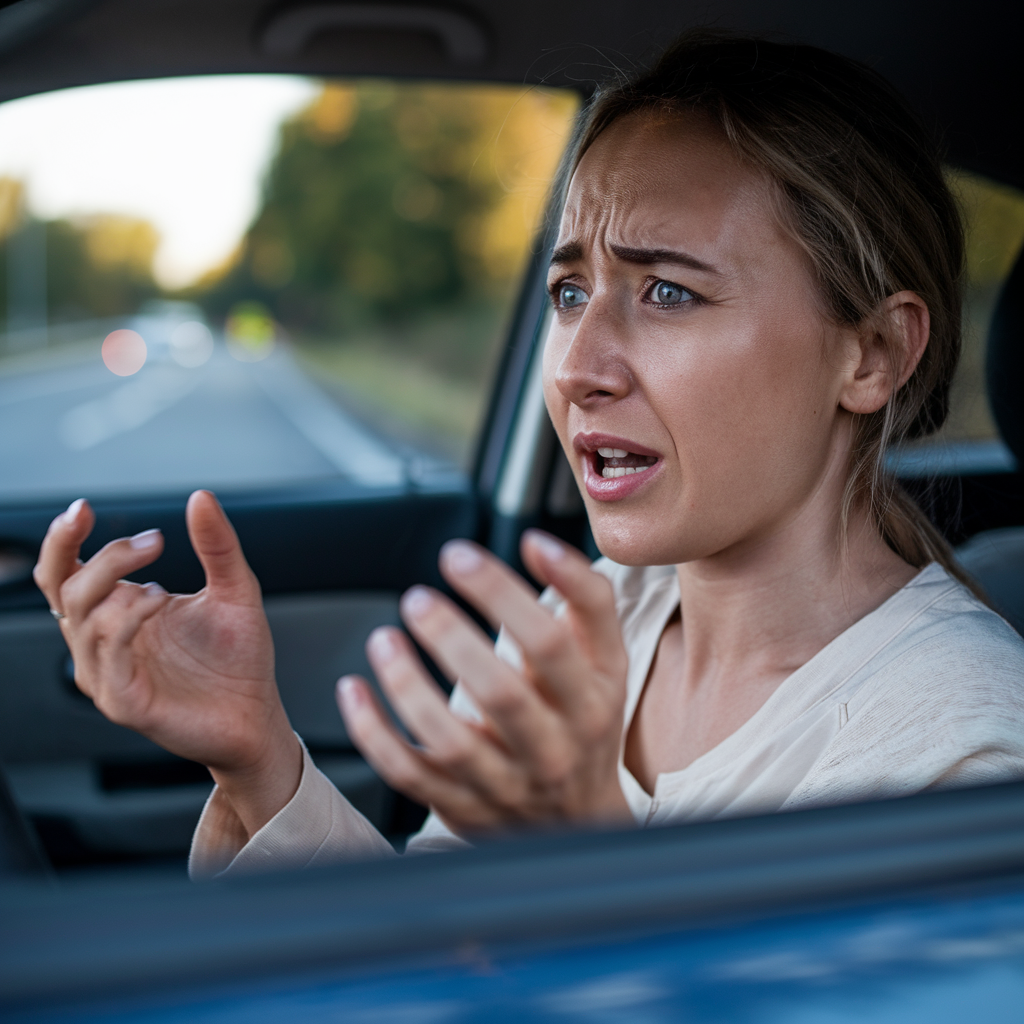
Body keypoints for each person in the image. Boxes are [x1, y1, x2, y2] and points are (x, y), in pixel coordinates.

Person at [33, 31, 1024, 877]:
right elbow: (429, 968)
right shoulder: (570, 629)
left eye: (668, 292)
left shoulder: (964, 749)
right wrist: (261, 762)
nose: (578, 366)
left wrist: (585, 866)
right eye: (568, 293)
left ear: (874, 353)